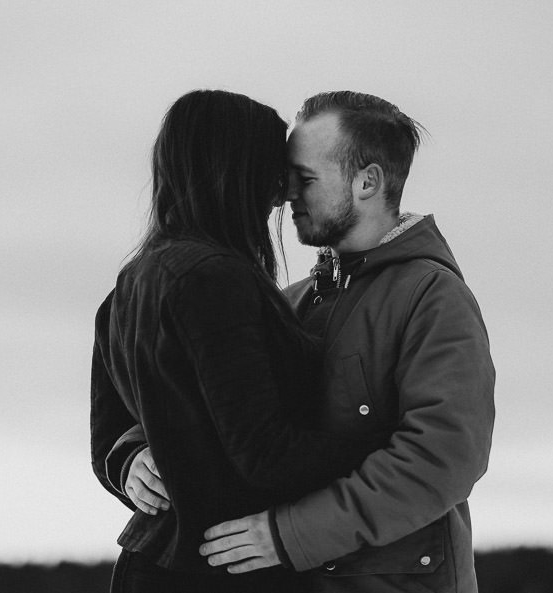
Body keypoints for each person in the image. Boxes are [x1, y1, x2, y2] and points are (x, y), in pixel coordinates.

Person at [198, 91, 496, 593]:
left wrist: (291, 535)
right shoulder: (288, 301)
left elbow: (443, 457)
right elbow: (216, 399)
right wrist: (136, 451)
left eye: (305, 178)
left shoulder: (433, 297)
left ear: (368, 182)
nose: (286, 192)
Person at [90, 90, 386, 593]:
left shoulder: (130, 284)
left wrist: (125, 462)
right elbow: (264, 455)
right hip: (221, 569)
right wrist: (390, 441)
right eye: (274, 171)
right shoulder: (214, 281)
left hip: (158, 561)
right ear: (234, 169)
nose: (283, 193)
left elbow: (112, 434)